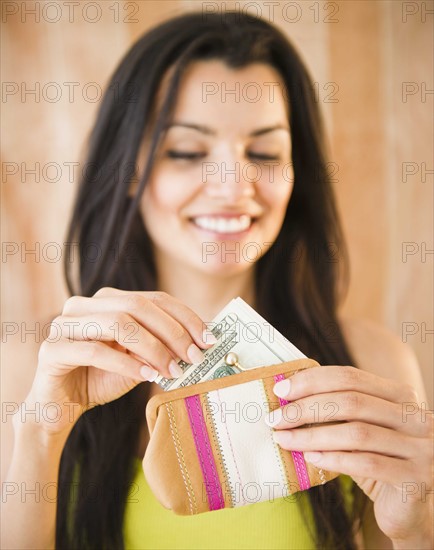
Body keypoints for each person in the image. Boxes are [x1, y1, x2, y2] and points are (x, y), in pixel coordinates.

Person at [2, 10, 432, 550]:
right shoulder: (33, 366)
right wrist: (42, 433)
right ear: (129, 169)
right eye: (187, 151)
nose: (233, 186)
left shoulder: (370, 361)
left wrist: (418, 531)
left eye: (264, 152)